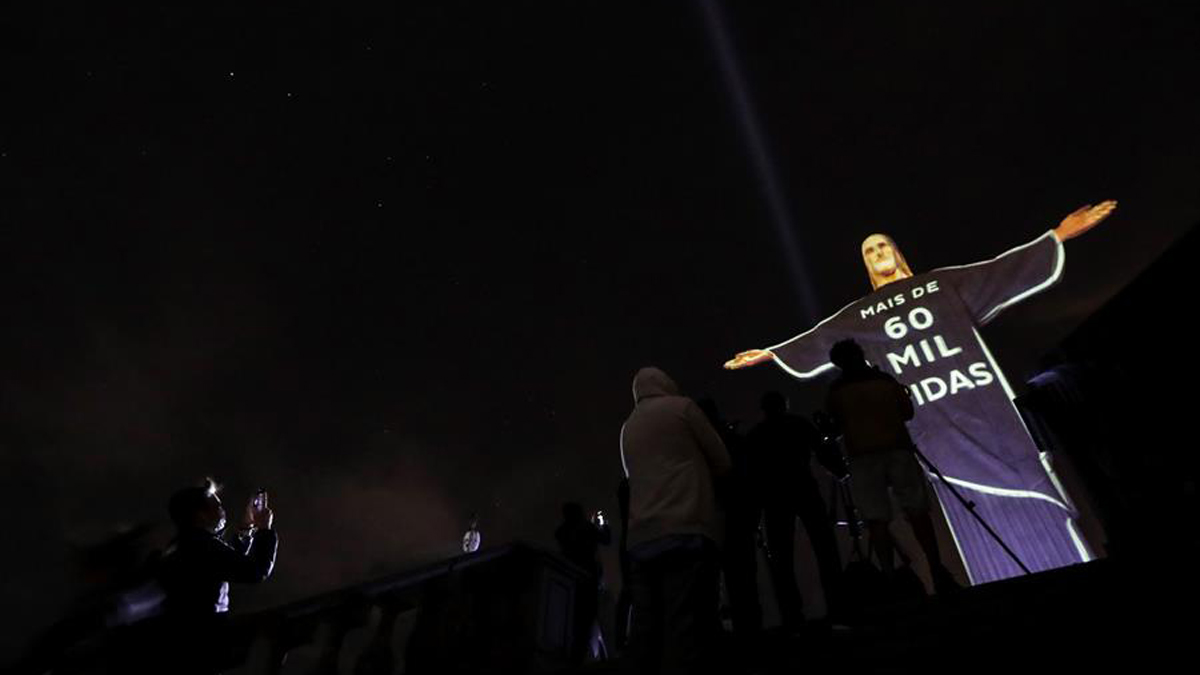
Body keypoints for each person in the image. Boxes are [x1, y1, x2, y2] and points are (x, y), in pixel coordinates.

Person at [725, 201, 1116, 584]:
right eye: (870, 250)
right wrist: (772, 353)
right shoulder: (862, 315)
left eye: (883, 245)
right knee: (954, 517)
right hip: (935, 437)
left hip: (992, 421)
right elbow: (818, 338)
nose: (879, 253)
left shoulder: (941, 285)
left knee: (1038, 508)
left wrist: (1060, 235)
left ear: (896, 252)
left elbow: (998, 271)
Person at [619, 367, 732, 675]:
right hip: (686, 527)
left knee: (645, 630)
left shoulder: (628, 427)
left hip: (642, 536)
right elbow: (721, 460)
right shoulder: (683, 408)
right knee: (685, 623)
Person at [825, 339, 958, 593]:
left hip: (862, 457)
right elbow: (907, 412)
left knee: (876, 520)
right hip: (898, 449)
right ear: (860, 354)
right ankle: (937, 570)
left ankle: (888, 580)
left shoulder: (836, 391)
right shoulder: (885, 381)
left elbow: (835, 425)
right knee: (917, 512)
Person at [154, 479, 277, 673]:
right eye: (217, 506)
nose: (223, 511)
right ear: (200, 515)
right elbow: (255, 570)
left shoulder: (182, 545)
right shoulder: (203, 545)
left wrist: (246, 529)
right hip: (200, 646)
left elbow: (225, 564)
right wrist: (265, 530)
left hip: (176, 644)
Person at [746, 391, 842, 626]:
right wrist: (840, 469)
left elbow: (752, 473)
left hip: (773, 496)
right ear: (784, 405)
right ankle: (839, 606)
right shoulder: (799, 424)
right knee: (825, 548)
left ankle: (792, 615)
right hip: (803, 487)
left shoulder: (757, 434)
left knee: (781, 558)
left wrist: (755, 509)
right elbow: (822, 451)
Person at [555, 502, 613, 663]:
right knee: (587, 619)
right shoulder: (587, 528)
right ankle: (579, 659)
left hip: (569, 580)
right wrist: (602, 525)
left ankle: (569, 657)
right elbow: (607, 539)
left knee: (571, 619)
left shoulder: (563, 531)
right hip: (589, 580)